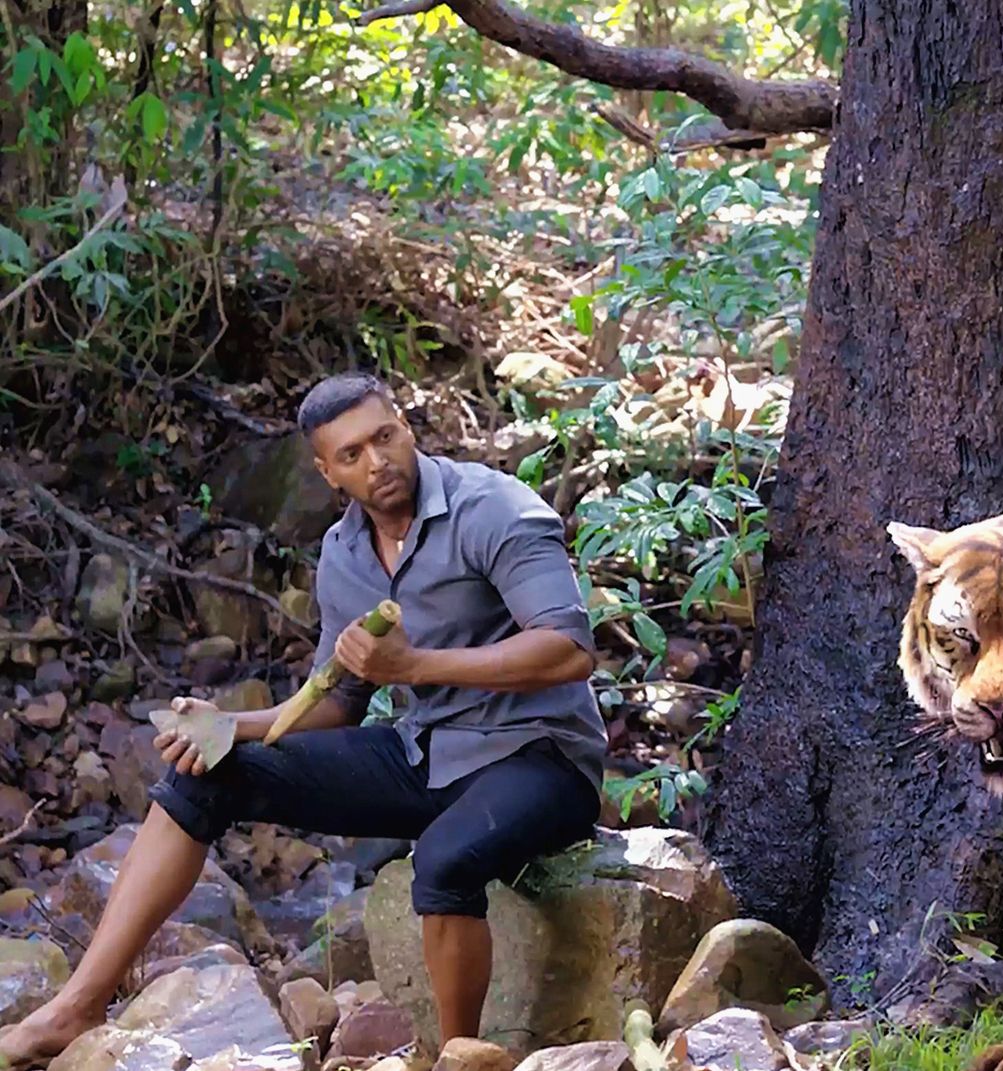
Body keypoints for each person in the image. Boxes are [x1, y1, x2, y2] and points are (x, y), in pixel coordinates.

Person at [0, 373, 608, 1067]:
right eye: (352, 454)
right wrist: (234, 724)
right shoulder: (346, 554)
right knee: (202, 775)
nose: (377, 461)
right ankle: (77, 1004)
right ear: (327, 471)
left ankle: (454, 1057)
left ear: (406, 427)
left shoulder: (494, 508)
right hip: (425, 755)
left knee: (445, 859)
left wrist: (414, 666)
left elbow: (568, 649)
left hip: (539, 758)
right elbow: (339, 703)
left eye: (385, 437)